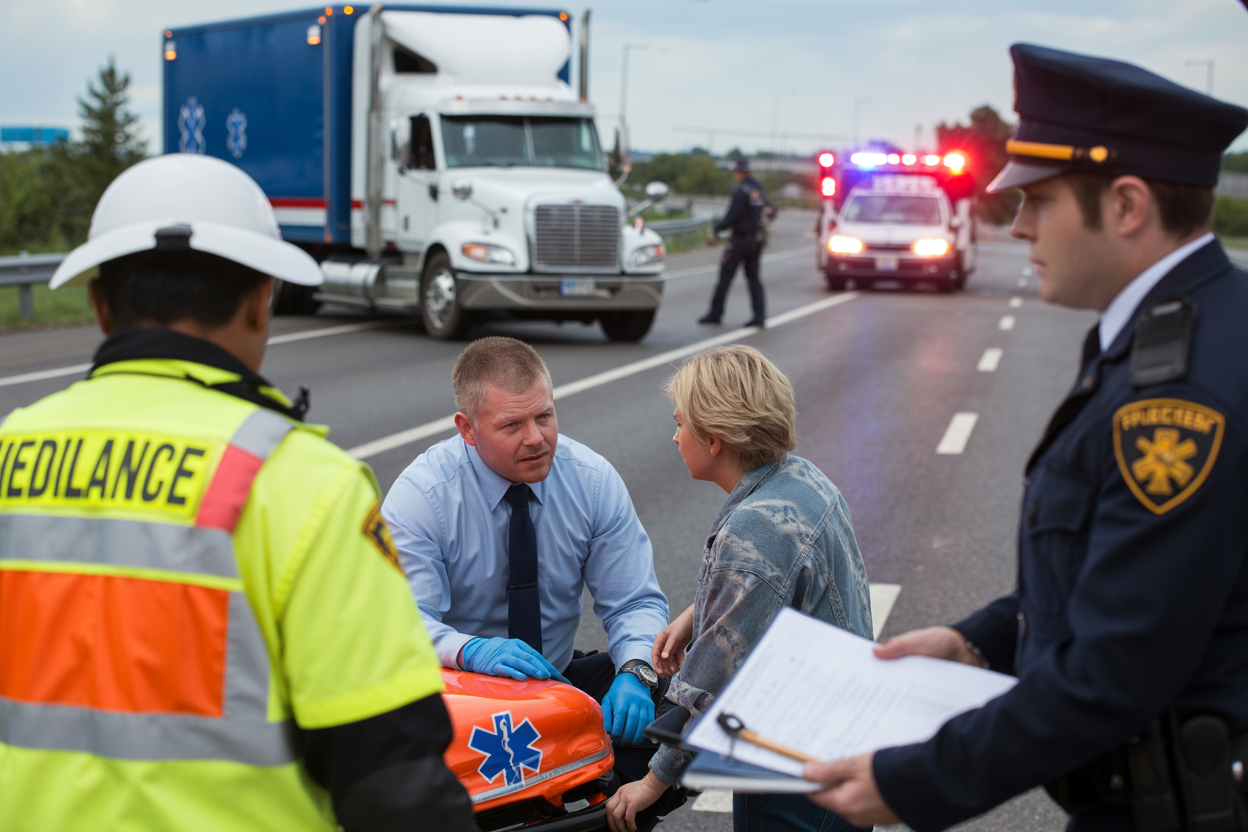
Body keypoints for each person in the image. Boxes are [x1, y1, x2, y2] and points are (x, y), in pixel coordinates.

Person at [802, 44, 1248, 831]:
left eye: (1038, 201)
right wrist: (977, 641)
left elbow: (1118, 665)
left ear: (1127, 205)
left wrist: (912, 780)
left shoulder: (1182, 391)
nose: (1015, 227)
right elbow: (1117, 577)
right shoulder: (1187, 328)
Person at [0, 155, 477, 831]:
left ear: (99, 304)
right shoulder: (301, 482)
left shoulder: (10, 452)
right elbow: (392, 782)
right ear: (262, 299)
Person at [381, 337, 674, 790]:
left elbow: (633, 601)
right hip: (458, 693)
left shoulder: (591, 481)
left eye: (545, 416)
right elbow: (401, 623)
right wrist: (470, 650)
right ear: (467, 428)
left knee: (686, 704)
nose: (536, 438)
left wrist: (635, 671)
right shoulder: (423, 496)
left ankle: (611, 811)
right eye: (512, 425)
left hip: (550, 678)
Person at [605, 345, 874, 832]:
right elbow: (777, 584)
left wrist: (652, 782)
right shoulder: (802, 478)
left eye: (680, 423)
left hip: (790, 766)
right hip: (842, 741)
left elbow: (712, 682)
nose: (673, 436)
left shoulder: (752, 530)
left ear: (713, 439)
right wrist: (696, 613)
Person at [700, 158, 770, 328]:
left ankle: (715, 313)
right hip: (755, 240)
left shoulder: (740, 190)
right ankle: (759, 316)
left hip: (739, 240)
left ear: (739, 172)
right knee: (753, 278)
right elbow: (768, 210)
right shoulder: (757, 187)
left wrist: (716, 230)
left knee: (725, 278)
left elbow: (733, 215)